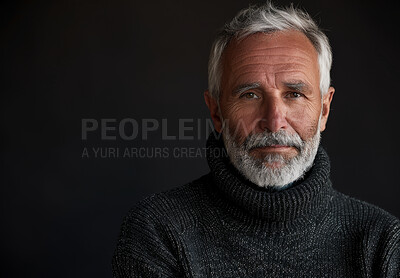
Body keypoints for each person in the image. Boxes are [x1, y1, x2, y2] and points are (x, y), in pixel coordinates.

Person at [112, 2, 400, 277]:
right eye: (250, 95)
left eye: (295, 94)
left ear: (324, 110)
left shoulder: (380, 242)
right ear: (216, 112)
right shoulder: (159, 230)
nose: (274, 121)